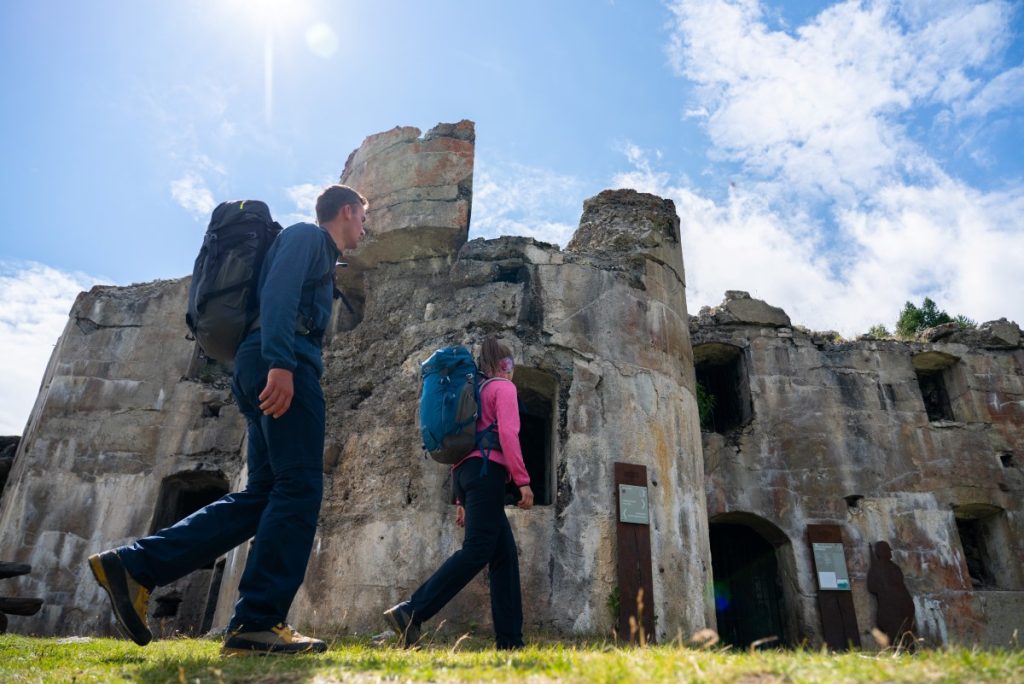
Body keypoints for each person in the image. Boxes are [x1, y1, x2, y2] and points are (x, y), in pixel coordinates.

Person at [87, 184, 368, 655]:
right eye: (363, 216)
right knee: (299, 487)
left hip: (260, 362)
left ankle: (136, 567)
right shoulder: (308, 237)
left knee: (263, 494)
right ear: (346, 210)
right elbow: (278, 292)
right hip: (282, 364)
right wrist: (282, 363)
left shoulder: (313, 248)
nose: (365, 226)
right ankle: (258, 621)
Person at [385, 336, 534, 650]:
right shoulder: (503, 388)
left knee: (504, 557)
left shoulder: (474, 391)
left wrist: (460, 499)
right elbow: (508, 435)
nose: (511, 370)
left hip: (468, 475)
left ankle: (510, 641)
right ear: (500, 365)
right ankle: (412, 612)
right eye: (508, 363)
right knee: (477, 550)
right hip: (487, 473)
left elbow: (462, 447)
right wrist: (522, 480)